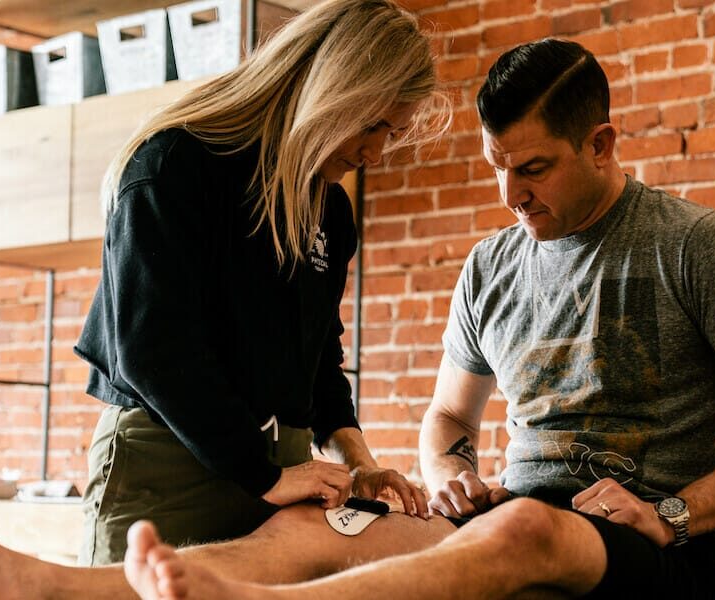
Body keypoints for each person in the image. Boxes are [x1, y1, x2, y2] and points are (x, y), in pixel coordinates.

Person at [0, 38, 715, 600]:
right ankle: (44, 590)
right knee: (324, 526)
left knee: (517, 539)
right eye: (500, 171)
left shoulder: (691, 247)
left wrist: (672, 514)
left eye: (535, 170)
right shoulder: (494, 264)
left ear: (602, 143)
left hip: (649, 546)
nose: (512, 197)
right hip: (518, 513)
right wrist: (446, 477)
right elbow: (449, 428)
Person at [71, 0, 448, 565]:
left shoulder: (330, 211)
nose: (374, 152)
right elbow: (153, 350)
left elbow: (318, 362)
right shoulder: (175, 164)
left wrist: (359, 464)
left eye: (390, 133)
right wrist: (263, 474)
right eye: (371, 124)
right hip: (169, 463)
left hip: (284, 472)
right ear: (329, 87)